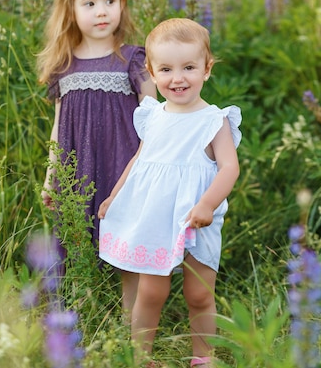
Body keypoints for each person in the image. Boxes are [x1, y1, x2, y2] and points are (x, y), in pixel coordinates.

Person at [98, 18, 242, 367]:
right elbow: (138, 160)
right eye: (166, 69)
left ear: (207, 70)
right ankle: (140, 357)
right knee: (151, 291)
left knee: (198, 293)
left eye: (189, 67)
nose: (178, 78)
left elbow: (229, 168)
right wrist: (114, 196)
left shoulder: (214, 120)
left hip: (198, 218)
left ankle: (203, 357)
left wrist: (208, 203)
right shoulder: (153, 116)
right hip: (155, 217)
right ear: (151, 71)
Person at [37, 0, 156, 316]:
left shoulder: (134, 59)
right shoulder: (64, 64)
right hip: (77, 169)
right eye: (89, 3)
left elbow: (155, 120)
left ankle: (129, 327)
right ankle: (84, 316)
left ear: (122, 3)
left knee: (126, 247)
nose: (101, 11)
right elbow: (58, 128)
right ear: (70, 9)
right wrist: (50, 175)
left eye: (110, 1)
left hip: (124, 167)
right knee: (75, 241)